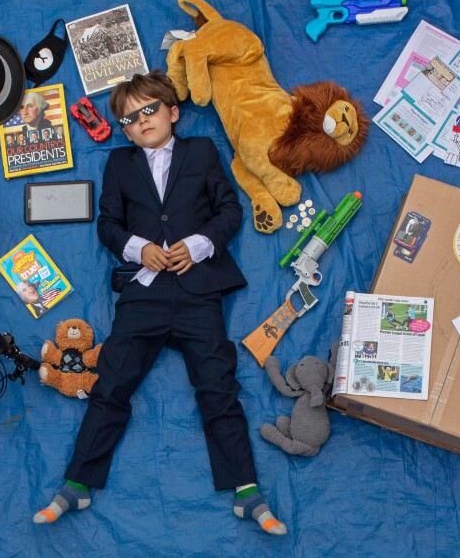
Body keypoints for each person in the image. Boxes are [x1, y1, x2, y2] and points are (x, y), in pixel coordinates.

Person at [33, 70, 286, 536]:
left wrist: (198, 244)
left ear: (173, 112)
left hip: (197, 293)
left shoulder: (203, 152)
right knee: (111, 385)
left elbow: (230, 209)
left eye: (150, 109)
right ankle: (76, 484)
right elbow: (107, 224)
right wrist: (136, 247)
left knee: (218, 387)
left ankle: (246, 492)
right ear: (124, 130)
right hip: (144, 293)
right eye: (131, 117)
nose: (142, 120)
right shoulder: (120, 164)